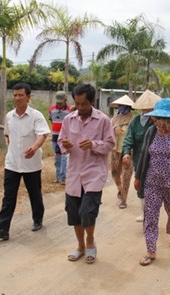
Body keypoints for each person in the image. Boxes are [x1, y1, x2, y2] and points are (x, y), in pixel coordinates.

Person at [58, 84, 115, 264]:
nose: (80, 108)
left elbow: (110, 144)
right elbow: (60, 141)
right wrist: (64, 145)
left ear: (92, 101)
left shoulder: (103, 120)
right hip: (74, 173)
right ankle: (80, 246)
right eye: (77, 104)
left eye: (84, 104)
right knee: (74, 213)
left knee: (87, 212)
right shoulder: (69, 119)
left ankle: (90, 242)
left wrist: (93, 144)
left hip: (94, 173)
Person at [134, 98, 170, 266]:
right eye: (158, 119)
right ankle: (150, 251)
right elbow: (144, 155)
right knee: (150, 216)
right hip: (151, 182)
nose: (161, 123)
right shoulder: (151, 132)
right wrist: (138, 177)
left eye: (165, 119)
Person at [0, 83, 50, 241]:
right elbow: (8, 136)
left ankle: (38, 219)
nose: (17, 98)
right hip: (12, 163)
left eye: (21, 95)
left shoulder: (36, 116)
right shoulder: (9, 116)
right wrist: (12, 151)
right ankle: (2, 229)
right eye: (15, 95)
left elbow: (42, 134)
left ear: (28, 97)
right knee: (8, 197)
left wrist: (34, 148)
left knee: (34, 194)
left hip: (32, 164)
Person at [122, 89, 160, 222]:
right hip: (139, 160)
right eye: (145, 108)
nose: (147, 110)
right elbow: (128, 139)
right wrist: (126, 153)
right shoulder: (135, 122)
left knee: (154, 187)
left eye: (150, 108)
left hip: (157, 161)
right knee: (141, 186)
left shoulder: (159, 123)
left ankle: (153, 213)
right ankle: (144, 213)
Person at [110, 95, 135, 209]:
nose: (120, 108)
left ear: (128, 107)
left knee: (126, 175)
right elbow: (108, 132)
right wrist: (114, 127)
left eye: (123, 106)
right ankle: (120, 189)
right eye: (119, 106)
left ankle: (124, 199)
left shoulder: (133, 120)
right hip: (115, 150)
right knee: (115, 172)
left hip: (128, 152)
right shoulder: (114, 118)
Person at [48, 91, 71, 185]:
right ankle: (58, 177)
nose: (58, 104)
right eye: (57, 102)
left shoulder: (70, 110)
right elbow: (51, 121)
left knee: (64, 157)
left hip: (65, 138)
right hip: (55, 137)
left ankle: (63, 178)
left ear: (65, 100)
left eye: (61, 102)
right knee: (57, 158)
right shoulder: (51, 109)